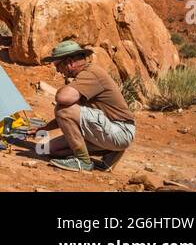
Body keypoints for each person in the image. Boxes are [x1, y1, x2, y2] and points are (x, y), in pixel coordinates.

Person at [31, 40, 135, 172]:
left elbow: (63, 100)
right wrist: (44, 128)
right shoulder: (85, 75)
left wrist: (67, 85)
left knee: (62, 108)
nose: (57, 70)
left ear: (69, 62)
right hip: (110, 130)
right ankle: (109, 151)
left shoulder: (91, 74)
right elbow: (74, 115)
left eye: (58, 65)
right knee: (49, 149)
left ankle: (83, 161)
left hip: (120, 131)